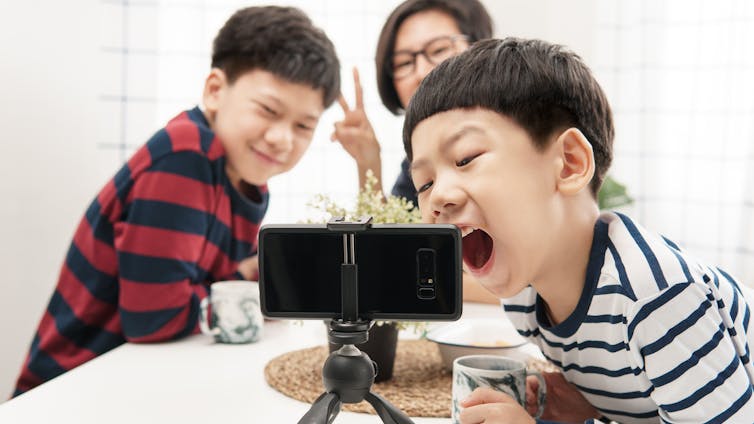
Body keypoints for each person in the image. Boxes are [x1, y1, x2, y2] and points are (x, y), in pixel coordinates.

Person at [403, 37, 754, 422]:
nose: (438, 197)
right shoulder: (523, 297)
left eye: (466, 158)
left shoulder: (656, 296)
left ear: (569, 163)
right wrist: (586, 406)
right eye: (425, 183)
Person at [13, 6, 340, 397]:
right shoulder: (187, 154)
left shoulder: (246, 180)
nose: (282, 138)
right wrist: (252, 284)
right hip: (67, 391)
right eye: (268, 110)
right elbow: (155, 317)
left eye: (304, 126)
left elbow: (202, 288)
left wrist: (246, 279)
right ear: (215, 90)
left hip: (133, 382)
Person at [332, 0, 497, 304]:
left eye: (437, 50)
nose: (422, 71)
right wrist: (368, 162)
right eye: (404, 63)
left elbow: (532, 280)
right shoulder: (419, 167)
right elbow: (386, 263)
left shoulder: (513, 142)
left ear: (481, 49)